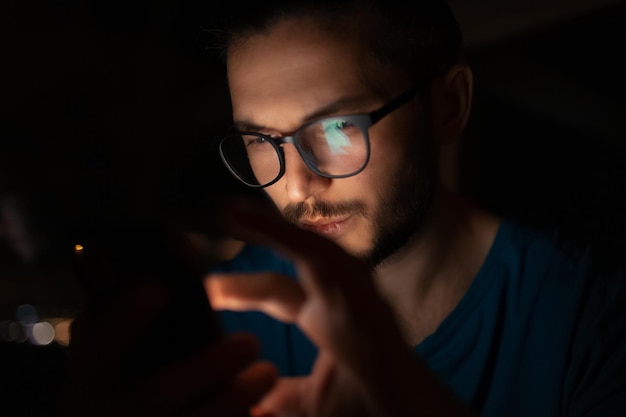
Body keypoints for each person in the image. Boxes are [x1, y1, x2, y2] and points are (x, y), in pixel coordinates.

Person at [59, 0, 626, 416]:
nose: (299, 185)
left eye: (335, 127)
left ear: (448, 106)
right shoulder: (224, 320)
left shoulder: (590, 322)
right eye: (263, 142)